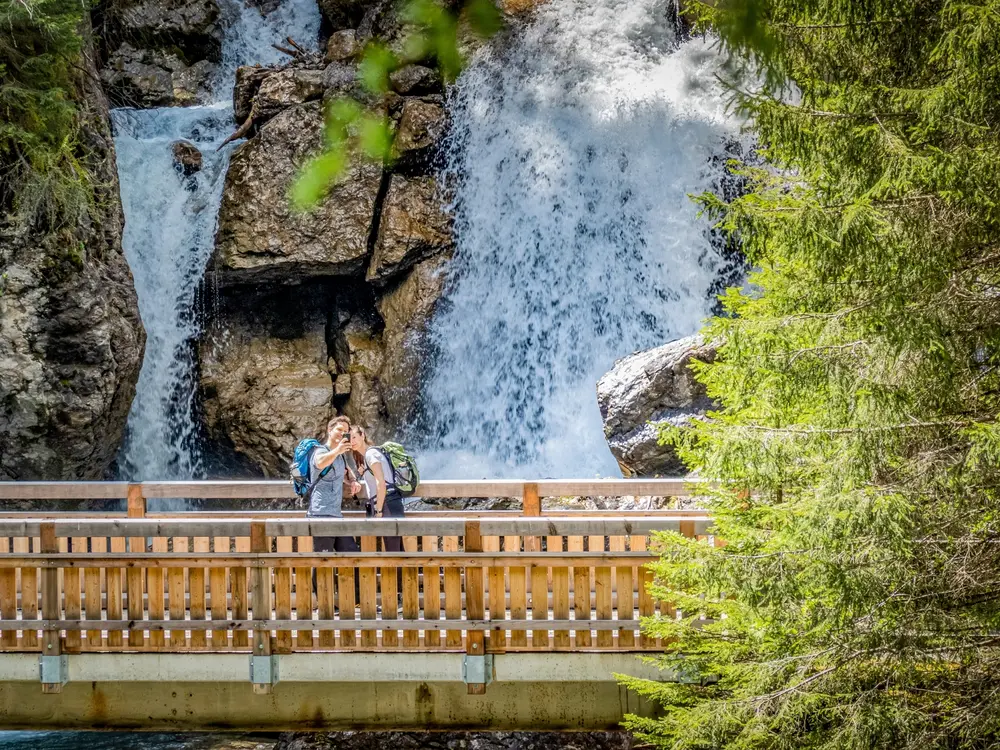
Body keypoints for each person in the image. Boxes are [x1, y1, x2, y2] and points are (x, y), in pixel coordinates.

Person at [309, 416, 363, 553]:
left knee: (352, 553)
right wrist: (338, 450)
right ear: (329, 430)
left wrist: (353, 481)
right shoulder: (320, 450)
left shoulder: (341, 456)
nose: (342, 433)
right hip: (320, 514)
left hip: (336, 515)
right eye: (339, 429)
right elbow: (320, 463)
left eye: (345, 431)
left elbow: (346, 472)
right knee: (323, 561)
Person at [350, 424, 404, 553]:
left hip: (387, 504)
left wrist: (379, 511)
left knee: (393, 551)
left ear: (363, 435)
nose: (352, 442)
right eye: (349, 439)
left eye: (354, 437)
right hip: (391, 502)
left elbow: (381, 483)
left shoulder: (371, 454)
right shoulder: (369, 455)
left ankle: (399, 573)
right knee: (397, 550)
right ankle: (404, 573)